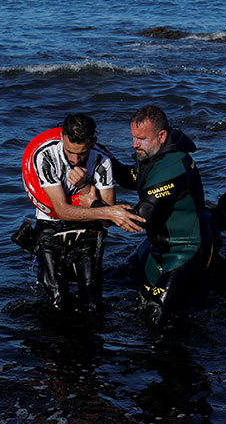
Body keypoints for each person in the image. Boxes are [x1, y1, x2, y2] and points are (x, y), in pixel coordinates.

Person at [30, 113, 145, 312]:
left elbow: (107, 221)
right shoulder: (46, 155)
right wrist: (108, 212)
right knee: (57, 299)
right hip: (50, 224)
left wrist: (84, 187)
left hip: (87, 229)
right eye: (70, 152)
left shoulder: (102, 160)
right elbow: (62, 210)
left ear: (93, 141)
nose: (75, 160)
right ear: (63, 138)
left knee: (91, 301)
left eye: (82, 154)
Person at [113, 105, 213, 323]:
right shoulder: (152, 154)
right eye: (133, 137)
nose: (134, 144)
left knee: (160, 317)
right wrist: (99, 155)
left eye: (141, 138)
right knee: (143, 308)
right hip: (159, 248)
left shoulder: (173, 166)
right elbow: (130, 178)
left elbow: (139, 219)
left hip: (185, 250)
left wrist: (92, 206)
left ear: (162, 136)